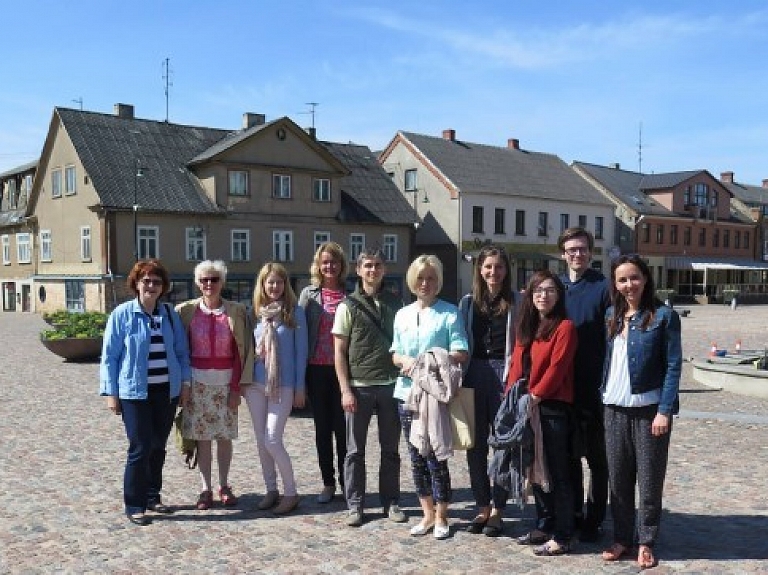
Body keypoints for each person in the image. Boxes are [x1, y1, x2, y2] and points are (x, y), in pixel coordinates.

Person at [600, 254, 681, 570]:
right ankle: (622, 538)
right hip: (613, 409)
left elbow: (673, 366)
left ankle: (646, 541)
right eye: (622, 279)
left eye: (634, 277)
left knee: (649, 480)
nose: (629, 284)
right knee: (618, 481)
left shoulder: (663, 316)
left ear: (645, 279)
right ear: (616, 284)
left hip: (649, 412)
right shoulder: (611, 315)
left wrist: (665, 410)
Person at [99, 259, 191, 526]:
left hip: (167, 391)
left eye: (156, 281)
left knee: (158, 447)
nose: (151, 286)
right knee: (139, 447)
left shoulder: (170, 315)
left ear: (163, 287)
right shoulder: (122, 314)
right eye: (146, 281)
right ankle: (135, 503)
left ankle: (152, 495)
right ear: (136, 284)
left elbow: (182, 354)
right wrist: (110, 393)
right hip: (134, 393)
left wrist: (184, 386)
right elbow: (110, 357)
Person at [391, 255, 469, 540]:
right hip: (406, 394)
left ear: (438, 281)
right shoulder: (402, 314)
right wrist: (404, 361)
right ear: (413, 280)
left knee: (436, 455)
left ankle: (442, 515)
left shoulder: (449, 313)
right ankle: (426, 514)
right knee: (416, 456)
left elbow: (461, 351)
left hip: (435, 396)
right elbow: (395, 352)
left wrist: (432, 359)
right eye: (421, 278)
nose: (425, 283)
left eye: (431, 278)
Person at [332, 248, 406, 527]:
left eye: (377, 265)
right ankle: (355, 505)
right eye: (367, 266)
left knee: (390, 449)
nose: (372, 270)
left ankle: (391, 501)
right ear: (358, 270)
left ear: (384, 270)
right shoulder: (347, 306)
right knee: (354, 451)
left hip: (390, 385)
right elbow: (339, 351)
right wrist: (345, 390)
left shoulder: (396, 304)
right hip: (359, 386)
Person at [509, 270, 577, 556]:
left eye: (549, 290)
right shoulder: (528, 326)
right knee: (535, 470)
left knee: (558, 473)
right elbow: (515, 364)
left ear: (558, 295)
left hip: (551, 408)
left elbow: (558, 368)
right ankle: (544, 524)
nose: (543, 295)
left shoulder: (565, 327)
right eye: (537, 290)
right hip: (527, 406)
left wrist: (536, 395)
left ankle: (562, 534)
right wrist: (511, 398)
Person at [175, 260, 250, 510]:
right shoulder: (185, 311)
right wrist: (183, 385)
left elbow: (241, 351)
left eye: (214, 279)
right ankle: (205, 488)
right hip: (197, 383)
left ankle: (224, 484)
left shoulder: (236, 311)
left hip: (225, 383)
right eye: (204, 280)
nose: (209, 284)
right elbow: (181, 351)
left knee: (224, 437)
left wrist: (237, 388)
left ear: (222, 282)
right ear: (197, 283)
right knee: (203, 438)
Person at [458, 245, 518, 537]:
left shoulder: (517, 302)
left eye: (499, 267)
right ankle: (482, 505)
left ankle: (498, 509)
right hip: (473, 374)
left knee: (503, 445)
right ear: (479, 271)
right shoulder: (468, 303)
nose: (494, 272)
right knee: (475, 445)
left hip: (504, 375)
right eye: (488, 267)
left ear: (507, 271)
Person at [557, 227, 611, 542]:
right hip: (563, 388)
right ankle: (574, 512)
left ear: (590, 252)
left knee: (597, 458)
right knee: (569, 457)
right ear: (563, 254)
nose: (577, 255)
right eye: (571, 250)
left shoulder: (603, 288)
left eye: (582, 249)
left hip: (594, 388)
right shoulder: (556, 288)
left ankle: (595, 518)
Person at [243, 263, 308, 515]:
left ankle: (291, 492)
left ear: (286, 285)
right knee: (261, 440)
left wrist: (300, 387)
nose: (274, 287)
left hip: (284, 385)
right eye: (270, 282)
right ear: (262, 284)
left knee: (272, 437)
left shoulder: (295, 313)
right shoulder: (255, 313)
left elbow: (300, 354)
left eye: (279, 282)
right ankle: (271, 490)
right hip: (256, 384)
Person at [298, 242, 348, 504]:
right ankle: (328, 483)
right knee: (322, 429)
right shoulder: (309, 294)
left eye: (334, 262)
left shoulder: (351, 295)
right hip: (316, 370)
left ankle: (346, 482)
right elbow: (298, 331)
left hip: (343, 372)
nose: (329, 266)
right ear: (318, 265)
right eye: (325, 262)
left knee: (344, 430)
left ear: (341, 265)